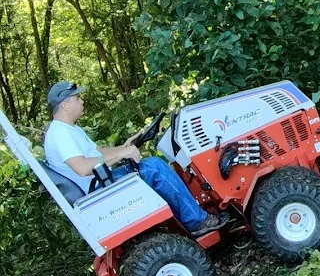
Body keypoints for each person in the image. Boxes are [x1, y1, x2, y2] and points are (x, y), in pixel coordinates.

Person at [43, 81, 229, 237]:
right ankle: (197, 221)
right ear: (66, 104)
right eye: (77, 98)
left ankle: (193, 214)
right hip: (98, 189)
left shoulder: (70, 129)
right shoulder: (60, 134)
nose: (82, 101)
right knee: (154, 167)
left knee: (150, 165)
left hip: (101, 180)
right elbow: (82, 168)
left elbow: (98, 153)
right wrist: (121, 154)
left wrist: (124, 147)